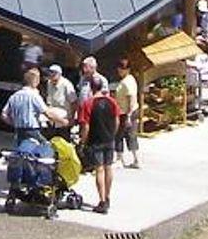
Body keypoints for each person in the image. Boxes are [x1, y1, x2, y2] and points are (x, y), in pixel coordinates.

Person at [77, 74, 121, 215]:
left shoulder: (88, 104)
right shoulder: (112, 102)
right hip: (109, 139)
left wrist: (83, 141)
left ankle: (101, 201)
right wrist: (112, 134)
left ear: (91, 88)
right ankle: (107, 197)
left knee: (99, 169)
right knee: (109, 167)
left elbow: (86, 126)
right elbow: (117, 120)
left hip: (95, 140)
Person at [112, 59, 141, 169]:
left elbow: (131, 98)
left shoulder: (127, 82)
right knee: (125, 135)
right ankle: (126, 158)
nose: (120, 70)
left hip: (127, 112)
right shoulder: (127, 79)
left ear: (128, 69)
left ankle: (126, 159)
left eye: (122, 69)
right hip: (124, 111)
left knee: (123, 135)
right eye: (119, 68)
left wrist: (128, 115)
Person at [2, 68, 48, 135]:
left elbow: (3, 115)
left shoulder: (14, 96)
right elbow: (47, 113)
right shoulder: (34, 96)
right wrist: (62, 121)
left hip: (18, 131)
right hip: (32, 131)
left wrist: (15, 124)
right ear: (36, 81)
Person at [40, 65, 76, 129]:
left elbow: (74, 102)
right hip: (52, 110)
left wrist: (72, 118)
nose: (52, 75)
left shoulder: (66, 85)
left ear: (59, 74)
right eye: (50, 72)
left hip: (64, 112)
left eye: (54, 73)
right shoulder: (49, 83)